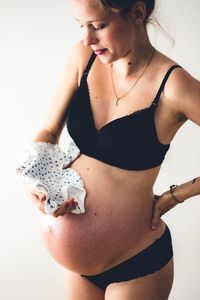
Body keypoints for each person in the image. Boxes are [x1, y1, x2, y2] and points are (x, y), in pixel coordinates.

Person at [25, 0, 200, 299]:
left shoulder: (174, 86)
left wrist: (176, 195)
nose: (87, 38)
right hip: (78, 270)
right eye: (82, 25)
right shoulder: (84, 57)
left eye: (99, 26)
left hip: (136, 265)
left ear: (137, 12)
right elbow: (50, 130)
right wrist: (41, 183)